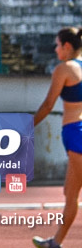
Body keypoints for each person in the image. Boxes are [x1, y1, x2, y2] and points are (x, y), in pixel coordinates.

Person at [31, 27, 82, 248]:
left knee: (72, 194)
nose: (55, 49)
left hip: (75, 132)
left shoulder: (64, 69)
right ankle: (55, 243)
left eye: (57, 45)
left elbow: (48, 104)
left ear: (67, 47)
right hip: (76, 132)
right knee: (70, 192)